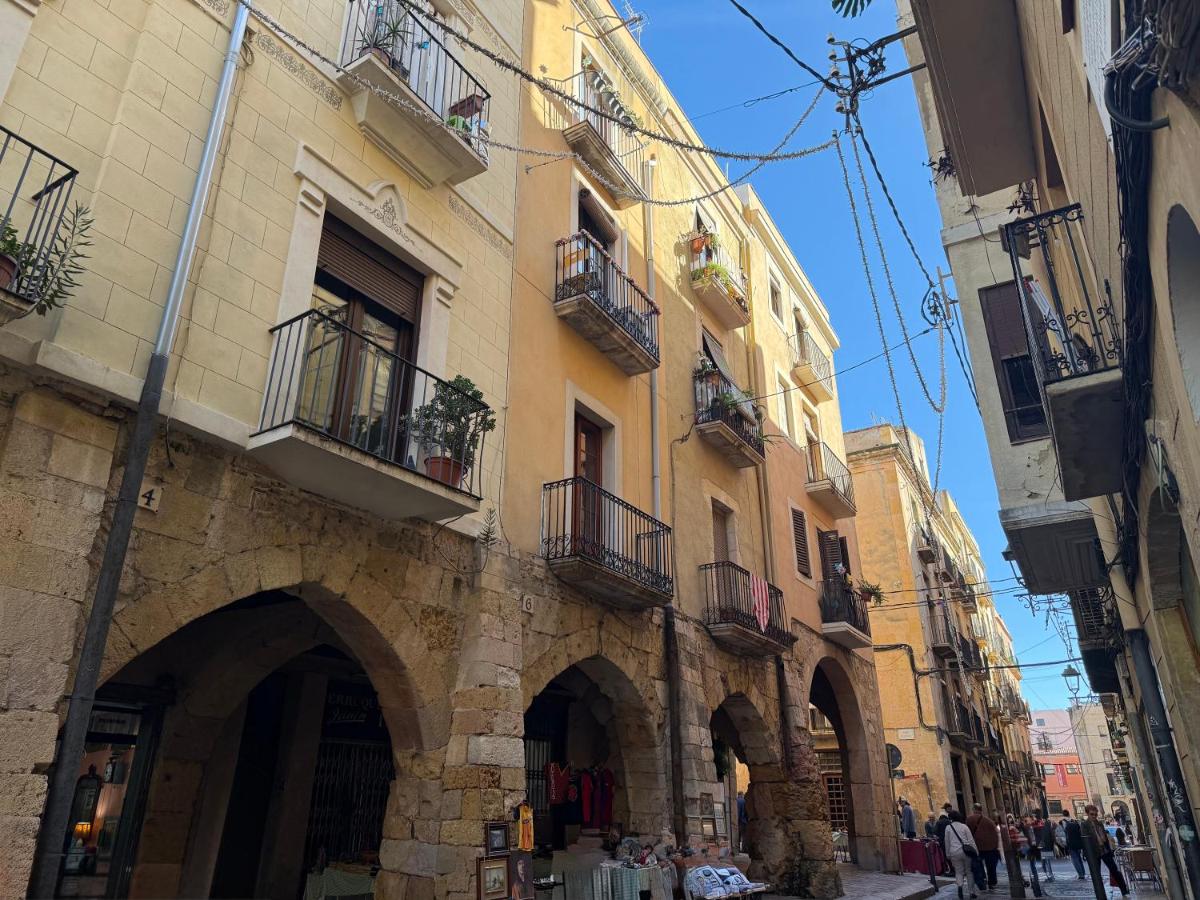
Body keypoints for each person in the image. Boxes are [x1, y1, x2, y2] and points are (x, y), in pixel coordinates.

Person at [1083, 804, 1129, 897]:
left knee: (1114, 870)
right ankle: (1100, 894)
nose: (1094, 816)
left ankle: (1124, 890)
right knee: (1096, 874)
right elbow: (1085, 839)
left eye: (1095, 814)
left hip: (1104, 850)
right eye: (1092, 814)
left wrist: (1109, 848)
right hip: (1094, 852)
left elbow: (1105, 837)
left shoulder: (1099, 823)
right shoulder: (1084, 825)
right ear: (1087, 814)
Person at [944, 809, 979, 900]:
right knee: (969, 871)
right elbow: (971, 840)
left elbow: (947, 842)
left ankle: (960, 886)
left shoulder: (948, 828)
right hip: (966, 851)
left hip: (954, 852)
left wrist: (948, 854)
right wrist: (976, 852)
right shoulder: (964, 827)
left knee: (959, 872)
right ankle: (972, 892)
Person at [966, 803, 1000, 892]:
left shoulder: (969, 819)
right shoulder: (989, 821)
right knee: (991, 867)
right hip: (991, 847)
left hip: (977, 847)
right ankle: (992, 883)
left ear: (974, 809)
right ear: (981, 810)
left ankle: (982, 882)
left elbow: (967, 833)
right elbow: (996, 833)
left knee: (978, 866)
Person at [1061, 813, 1086, 880]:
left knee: (1075, 859)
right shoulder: (1075, 823)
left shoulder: (1065, 824)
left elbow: (1065, 835)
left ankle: (1081, 874)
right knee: (1079, 858)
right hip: (1078, 843)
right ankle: (1083, 872)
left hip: (1071, 844)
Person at [1038, 812, 1057, 880]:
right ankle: (1049, 874)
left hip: (1044, 845)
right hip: (1047, 845)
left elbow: (1043, 836)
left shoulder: (1042, 826)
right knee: (1046, 861)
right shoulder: (1047, 825)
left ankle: (1049, 874)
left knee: (1046, 861)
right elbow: (1051, 836)